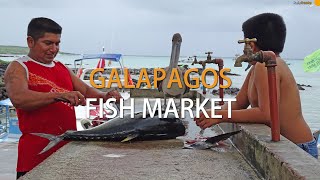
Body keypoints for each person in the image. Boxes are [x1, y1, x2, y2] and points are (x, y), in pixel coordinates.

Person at [4, 17, 122, 179]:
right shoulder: (19, 67)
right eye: (48, 43)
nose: (54, 49)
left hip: (66, 153)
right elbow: (19, 98)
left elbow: (87, 91)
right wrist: (59, 96)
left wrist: (106, 96)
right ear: (30, 41)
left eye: (57, 43)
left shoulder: (61, 67)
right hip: (34, 156)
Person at [194, 13, 318, 159]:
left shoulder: (266, 66)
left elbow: (266, 115)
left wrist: (220, 116)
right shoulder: (258, 67)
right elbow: (239, 102)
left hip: (298, 147)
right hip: (298, 144)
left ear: (250, 44)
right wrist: (211, 112)